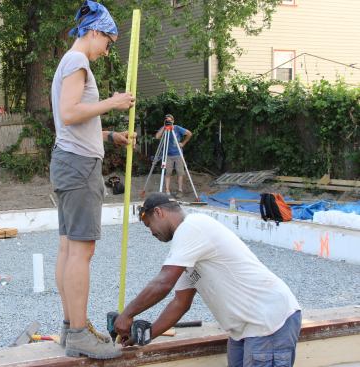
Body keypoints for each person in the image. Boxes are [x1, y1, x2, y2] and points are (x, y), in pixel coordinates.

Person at [114, 192, 302, 367]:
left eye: (149, 225)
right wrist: (145, 336)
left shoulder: (191, 227)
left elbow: (164, 282)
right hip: (245, 328)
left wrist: (127, 314)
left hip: (268, 321)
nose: (151, 232)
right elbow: (180, 303)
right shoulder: (188, 247)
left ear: (158, 212)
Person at [49, 0, 135, 359]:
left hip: (70, 162)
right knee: (81, 251)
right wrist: (113, 103)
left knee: (70, 248)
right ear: (95, 31)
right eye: (109, 42)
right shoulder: (77, 60)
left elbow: (76, 121)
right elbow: (70, 113)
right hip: (79, 168)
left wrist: (111, 136)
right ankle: (79, 333)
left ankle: (72, 330)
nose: (107, 50)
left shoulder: (69, 63)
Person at [154, 114, 192, 197]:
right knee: (168, 172)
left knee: (180, 173)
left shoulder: (177, 128)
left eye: (169, 120)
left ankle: (180, 190)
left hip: (178, 154)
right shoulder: (164, 128)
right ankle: (167, 191)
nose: (168, 122)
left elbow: (189, 133)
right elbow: (157, 137)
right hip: (168, 155)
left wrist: (183, 143)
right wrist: (164, 127)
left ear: (173, 121)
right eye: (166, 120)